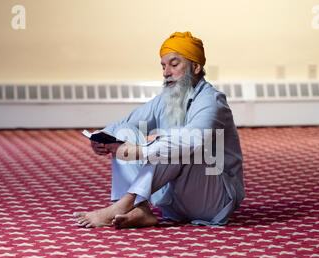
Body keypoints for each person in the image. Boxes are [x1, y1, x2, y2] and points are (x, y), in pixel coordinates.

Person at [74, 31, 245, 228]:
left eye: (174, 64)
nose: (166, 73)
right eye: (163, 66)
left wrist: (141, 150)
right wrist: (101, 140)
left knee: (178, 144)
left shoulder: (211, 101)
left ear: (196, 67)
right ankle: (141, 209)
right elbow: (124, 124)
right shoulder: (165, 99)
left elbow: (192, 141)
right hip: (171, 202)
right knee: (124, 131)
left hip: (212, 200)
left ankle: (122, 205)